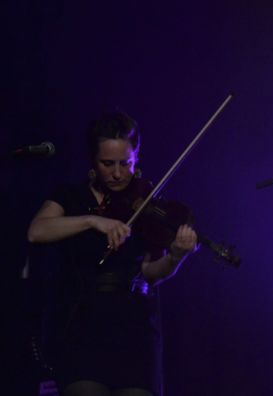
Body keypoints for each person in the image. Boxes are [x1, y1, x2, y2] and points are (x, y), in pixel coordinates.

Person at [27, 111, 198, 396]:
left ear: (137, 158)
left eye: (125, 164)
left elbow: (150, 272)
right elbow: (36, 231)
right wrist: (92, 220)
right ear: (93, 161)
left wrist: (175, 257)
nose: (118, 173)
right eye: (108, 164)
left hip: (134, 327)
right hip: (83, 322)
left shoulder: (144, 205)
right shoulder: (71, 196)